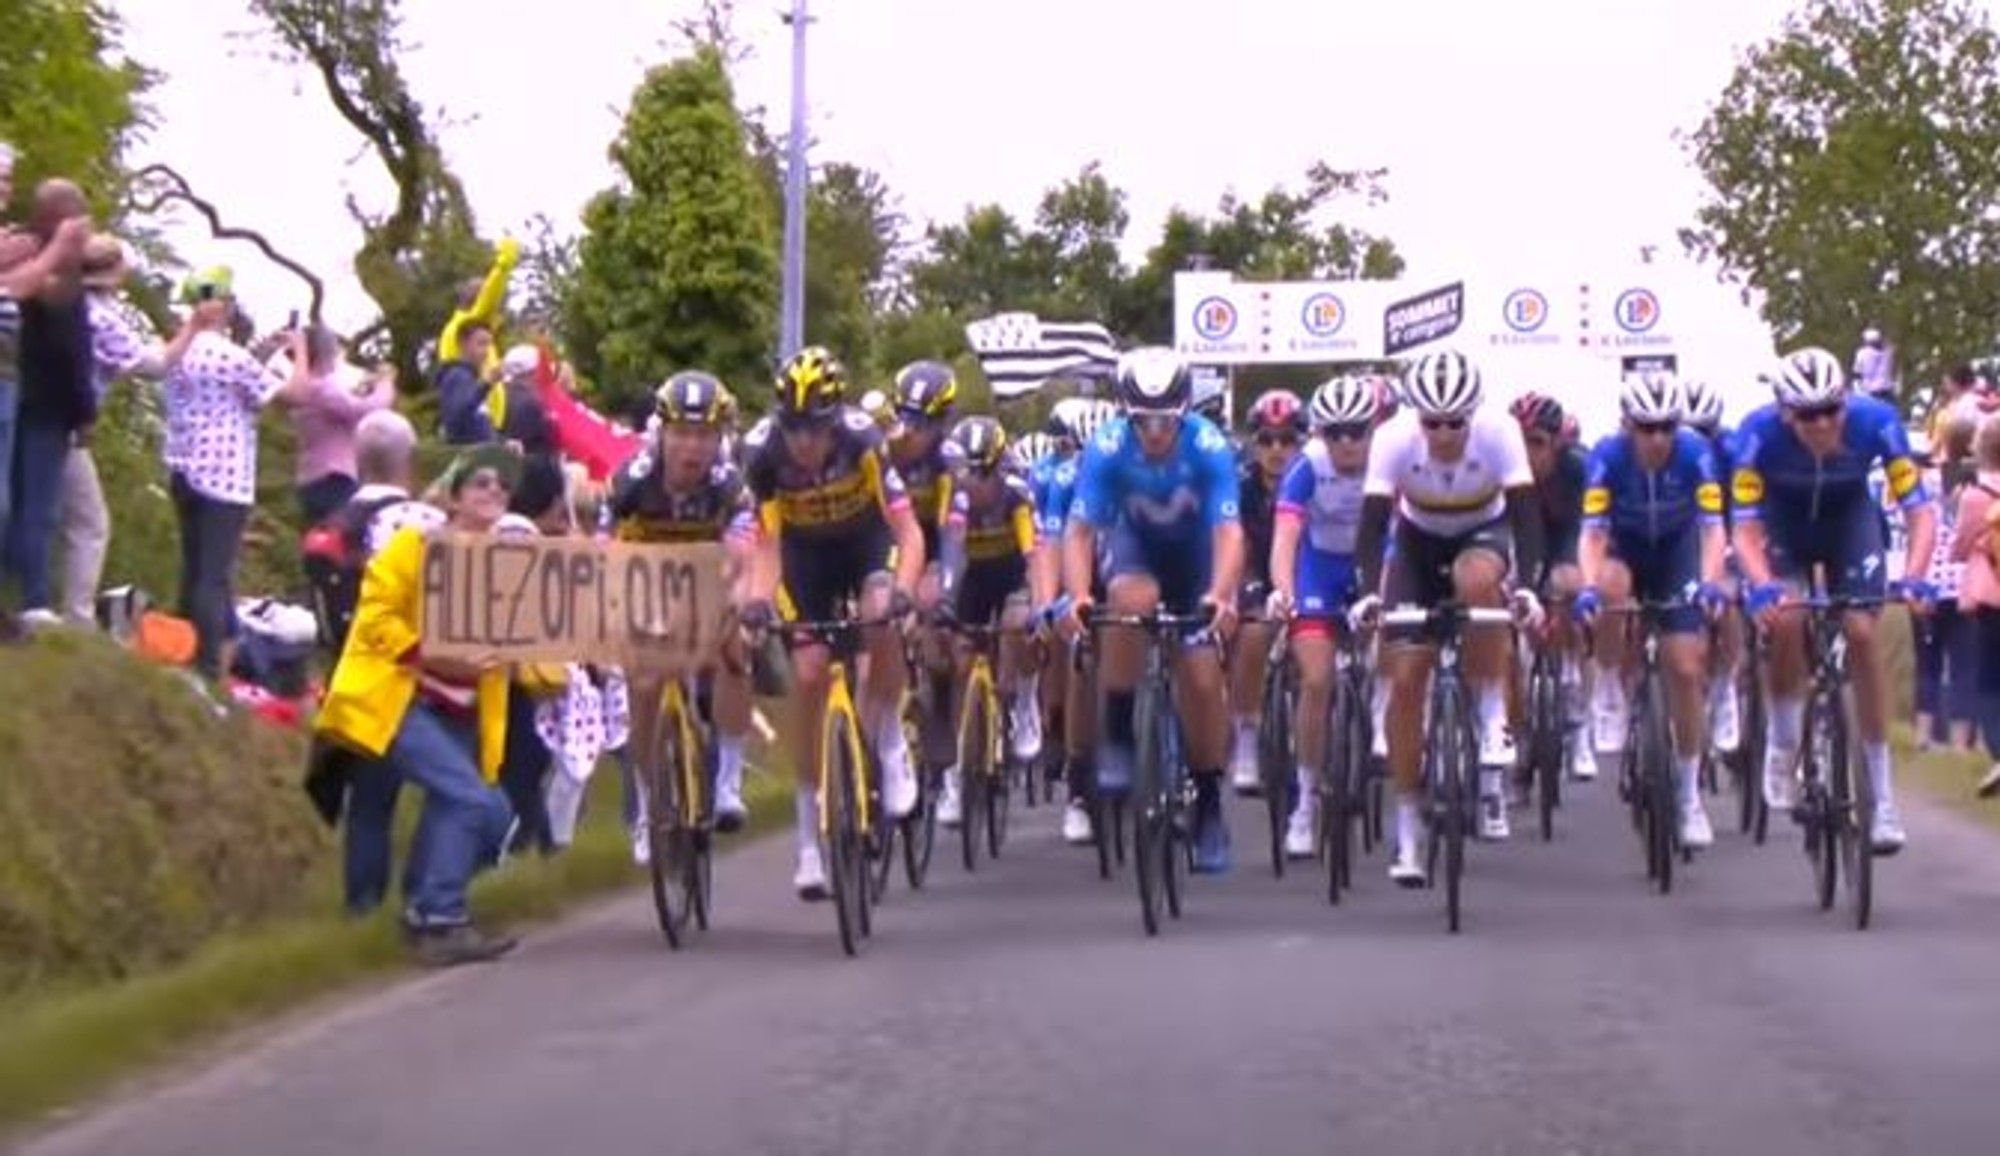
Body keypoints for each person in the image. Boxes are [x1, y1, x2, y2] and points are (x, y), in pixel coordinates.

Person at [314, 444, 523, 965]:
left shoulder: (508, 564)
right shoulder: (415, 546)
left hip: (462, 708)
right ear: (453, 497)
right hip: (402, 697)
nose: (494, 491)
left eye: (503, 486)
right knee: (467, 800)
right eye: (481, 483)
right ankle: (440, 919)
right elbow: (376, 614)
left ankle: (421, 907)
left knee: (487, 814)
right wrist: (432, 653)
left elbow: (526, 642)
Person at [1731, 346, 1937, 852]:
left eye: (1831, 410)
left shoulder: (1877, 422)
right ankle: (1782, 743)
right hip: (1784, 527)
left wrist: (1913, 576)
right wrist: (1762, 583)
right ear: (1785, 412)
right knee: (1784, 624)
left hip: (1849, 523)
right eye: (1808, 415)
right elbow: (1744, 525)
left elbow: (1919, 511)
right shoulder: (1756, 433)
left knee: (1863, 633)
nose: (1822, 424)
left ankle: (1882, 799)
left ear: (1846, 402)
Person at [739, 346, 925, 898]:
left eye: (814, 429)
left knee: (879, 617)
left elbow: (907, 530)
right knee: (812, 674)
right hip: (805, 557)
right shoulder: (763, 454)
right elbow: (767, 544)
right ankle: (806, 842)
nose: (803, 442)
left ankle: (889, 742)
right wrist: (755, 600)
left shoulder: (865, 441)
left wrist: (906, 591)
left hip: (865, 544)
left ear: (834, 419)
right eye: (793, 428)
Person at [1351, 349, 1542, 883]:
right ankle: (1409, 823)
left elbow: (1527, 518)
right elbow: (1370, 528)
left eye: (1454, 423)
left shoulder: (1500, 433)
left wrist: (1527, 587)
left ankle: (1489, 714)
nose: (1442, 433)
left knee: (1478, 583)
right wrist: (1370, 595)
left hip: (1484, 531)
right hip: (1417, 542)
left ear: (1472, 415)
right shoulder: (1392, 437)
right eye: (1431, 422)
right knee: (1407, 678)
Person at [1060, 347, 1244, 874]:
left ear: (1184, 413)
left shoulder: (1208, 445)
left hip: (1193, 559)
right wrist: (1077, 596)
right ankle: (1117, 727)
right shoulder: (1108, 445)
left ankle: (1209, 803)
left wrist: (1222, 593)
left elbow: (1229, 532)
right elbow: (1079, 532)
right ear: (1127, 413)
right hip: (1134, 545)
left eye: (1167, 419)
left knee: (1204, 683)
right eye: (1145, 420)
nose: (1157, 431)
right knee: (1128, 602)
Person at [1572, 372, 1729, 848]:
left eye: (1666, 426)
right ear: (1627, 425)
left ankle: (1688, 798)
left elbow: (1712, 529)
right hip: (1625, 548)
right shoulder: (1606, 456)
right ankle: (1609, 692)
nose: (1658, 438)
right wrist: (1588, 586)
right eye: (1646, 428)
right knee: (1611, 586)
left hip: (1677, 551)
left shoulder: (1696, 453)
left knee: (1684, 666)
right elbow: (1593, 534)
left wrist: (1709, 583)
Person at [610, 370, 758, 843]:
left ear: (719, 440)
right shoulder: (632, 480)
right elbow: (597, 551)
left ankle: (729, 779)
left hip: (706, 578)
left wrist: (736, 599)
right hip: (644, 578)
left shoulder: (728, 484)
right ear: (663, 434)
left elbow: (741, 553)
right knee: (645, 681)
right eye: (681, 435)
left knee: (738, 648)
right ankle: (644, 798)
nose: (691, 448)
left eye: (704, 436)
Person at [160, 266, 310, 678]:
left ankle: (179, 650)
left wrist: (262, 353)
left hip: (183, 466)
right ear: (223, 306)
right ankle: (207, 668)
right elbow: (295, 395)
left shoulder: (177, 351)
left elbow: (236, 389)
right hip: (224, 475)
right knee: (215, 575)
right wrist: (299, 351)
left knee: (192, 569)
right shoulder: (229, 355)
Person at [1265, 375, 1375, 857]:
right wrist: (1284, 593)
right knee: (1314, 680)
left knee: (1399, 650)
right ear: (1320, 435)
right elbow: (1285, 540)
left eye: (1357, 431)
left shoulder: (1391, 459)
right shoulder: (1306, 466)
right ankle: (1305, 802)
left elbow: (1405, 534)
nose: (1347, 443)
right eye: (1335, 433)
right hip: (1319, 571)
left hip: (1374, 564)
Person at [933, 415, 1038, 827]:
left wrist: (1036, 601)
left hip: (1010, 575)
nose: (974, 481)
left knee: (1015, 624)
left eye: (984, 472)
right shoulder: (953, 495)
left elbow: (1032, 555)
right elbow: (950, 544)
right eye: (966, 472)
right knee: (959, 662)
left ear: (1000, 468)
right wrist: (943, 599)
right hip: (970, 578)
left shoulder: (1016, 497)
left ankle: (1021, 701)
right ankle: (956, 777)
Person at [4, 180, 98, 624]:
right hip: (44, 401)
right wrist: (85, 409)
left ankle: (22, 594)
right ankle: (35, 598)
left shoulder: (52, 262)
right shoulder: (45, 264)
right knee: (37, 506)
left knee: (20, 500)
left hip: (33, 397)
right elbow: (69, 348)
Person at [1029, 400, 1112, 846]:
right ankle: (1079, 788)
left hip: (1124, 567)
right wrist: (1049, 603)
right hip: (1078, 571)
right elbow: (1050, 545)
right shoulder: (1064, 478)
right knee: (1078, 655)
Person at [1510, 389, 1595, 781]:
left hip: (1567, 535)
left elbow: (1591, 533)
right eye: (1520, 442)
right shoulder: (1505, 469)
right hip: (1525, 539)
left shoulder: (1579, 468)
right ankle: (1518, 727)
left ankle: (1578, 716)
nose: (1527, 453)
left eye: (1537, 443)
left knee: (1567, 585)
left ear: (1558, 443)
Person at [1228, 388, 1305, 795]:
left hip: (1307, 569)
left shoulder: (1314, 478)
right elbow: (1233, 542)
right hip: (1257, 568)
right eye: (1267, 440)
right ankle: (1246, 734)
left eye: (1288, 439)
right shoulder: (1241, 487)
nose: (1277, 450)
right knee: (1254, 632)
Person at [286, 325, 396, 523]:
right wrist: (385, 384)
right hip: (333, 477)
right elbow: (364, 411)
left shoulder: (306, 387)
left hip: (313, 477)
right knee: (341, 540)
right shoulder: (322, 386)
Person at [436, 320, 497, 445]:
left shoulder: (471, 378)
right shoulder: (458, 376)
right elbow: (457, 419)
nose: (486, 351)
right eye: (481, 343)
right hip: (471, 459)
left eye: (488, 345)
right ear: (463, 344)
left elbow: (479, 425)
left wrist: (503, 442)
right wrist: (485, 386)